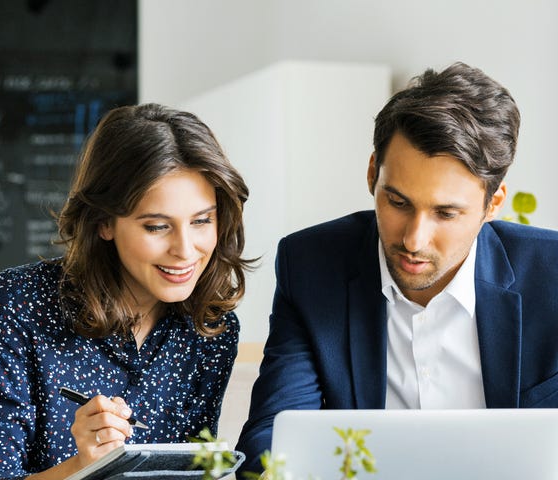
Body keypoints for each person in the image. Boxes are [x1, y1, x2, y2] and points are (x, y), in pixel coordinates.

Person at [235, 62, 558, 475]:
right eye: (398, 202)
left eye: (446, 213)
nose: (414, 240)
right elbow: (271, 437)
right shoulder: (313, 265)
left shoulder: (550, 275)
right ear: (373, 174)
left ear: (492, 206)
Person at [0, 103, 253, 479]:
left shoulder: (213, 330)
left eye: (201, 221)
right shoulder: (20, 303)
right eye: (157, 227)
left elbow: (192, 471)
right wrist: (82, 467)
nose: (185, 250)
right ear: (104, 223)